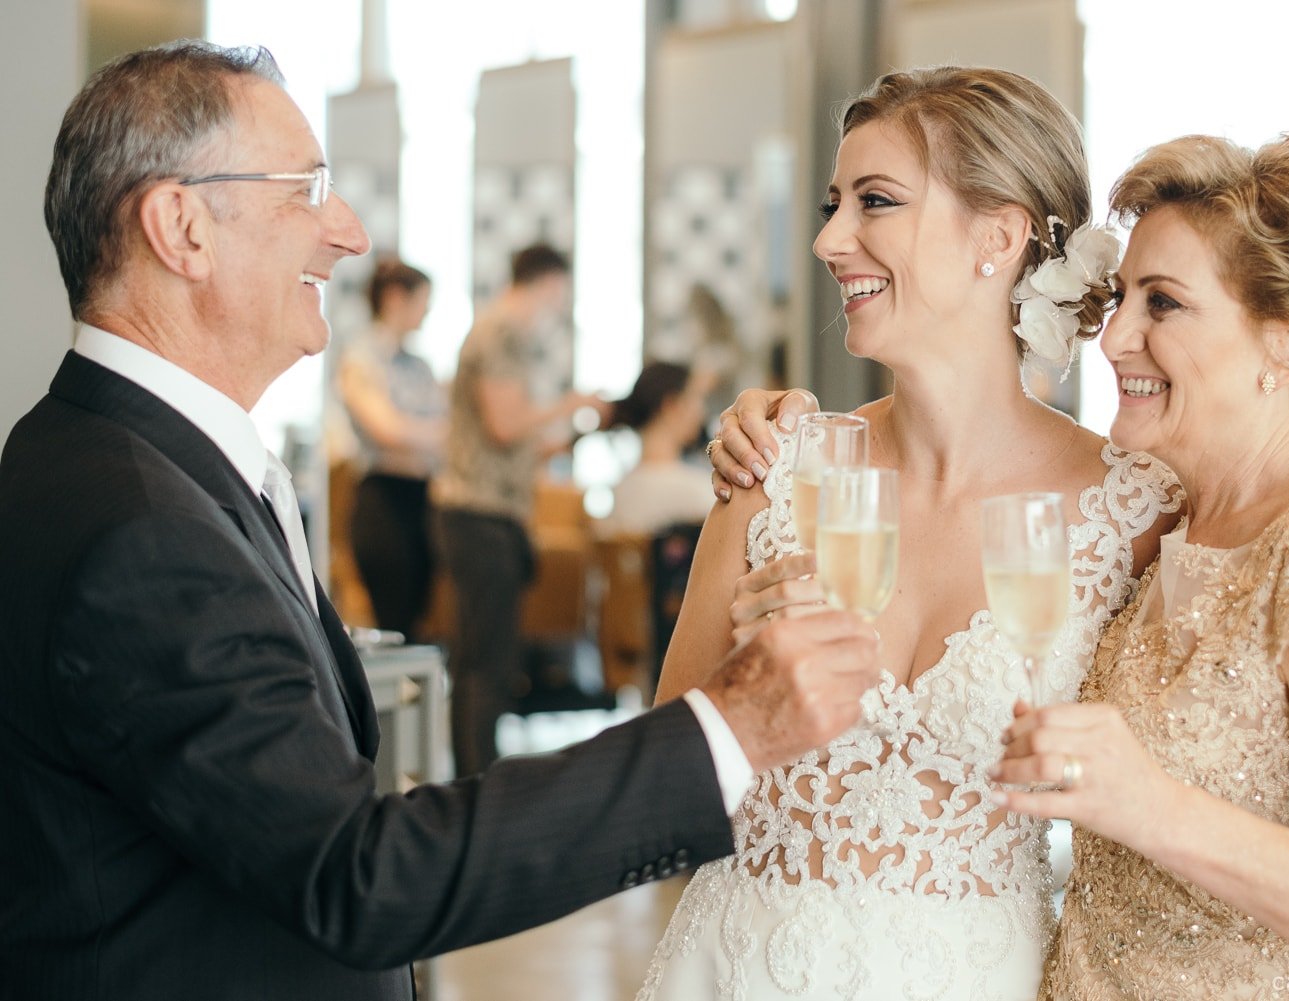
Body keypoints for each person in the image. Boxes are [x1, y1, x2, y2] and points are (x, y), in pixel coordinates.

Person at [0, 41, 883, 1001]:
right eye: (305, 190)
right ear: (182, 228)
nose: (347, 233)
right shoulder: (141, 527)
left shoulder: (99, 455)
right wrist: (729, 726)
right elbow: (357, 871)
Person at [636, 66, 1181, 1000]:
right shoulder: (774, 469)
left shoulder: (1136, 512)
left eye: (876, 201)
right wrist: (745, 681)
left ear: (999, 237)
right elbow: (651, 798)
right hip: (737, 968)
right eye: (834, 204)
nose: (828, 240)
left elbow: (1160, 812)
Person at [990, 135, 1289, 996]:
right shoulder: (1164, 517)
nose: (1116, 337)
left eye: (1164, 303)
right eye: (1122, 297)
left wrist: (1154, 807)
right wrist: (783, 429)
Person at [430, 241, 608, 776]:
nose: (559, 306)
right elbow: (505, 426)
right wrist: (570, 404)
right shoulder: (501, 332)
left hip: (486, 512)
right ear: (547, 282)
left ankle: (475, 774)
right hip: (479, 514)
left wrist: (574, 432)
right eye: (560, 293)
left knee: (484, 656)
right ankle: (476, 780)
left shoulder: (497, 332)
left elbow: (513, 444)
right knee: (484, 660)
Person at [337, 256, 446, 639]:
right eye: (423, 303)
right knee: (394, 621)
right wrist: (447, 435)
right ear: (396, 298)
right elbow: (387, 430)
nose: (427, 313)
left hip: (423, 499)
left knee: (417, 621)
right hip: (382, 500)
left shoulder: (420, 365)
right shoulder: (362, 357)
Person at [596, 360, 717, 538]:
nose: (701, 411)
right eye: (697, 398)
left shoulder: (621, 488)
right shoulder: (699, 491)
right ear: (672, 406)